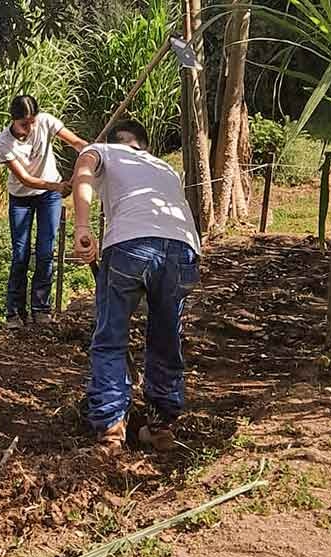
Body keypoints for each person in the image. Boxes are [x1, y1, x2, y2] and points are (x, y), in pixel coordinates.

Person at [71, 119, 201, 453]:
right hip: (182, 249)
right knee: (165, 337)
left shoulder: (101, 150)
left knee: (110, 338)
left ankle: (112, 430)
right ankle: (161, 427)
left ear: (116, 141)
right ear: (143, 146)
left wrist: (82, 228)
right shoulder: (164, 168)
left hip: (130, 245)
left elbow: (84, 170)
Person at [0, 95, 87, 328]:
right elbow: (25, 179)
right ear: (13, 120)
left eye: (32, 121)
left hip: (49, 198)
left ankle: (41, 308)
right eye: (24, 123)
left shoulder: (45, 121)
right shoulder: (3, 142)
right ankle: (14, 313)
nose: (30, 127)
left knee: (46, 251)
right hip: (21, 198)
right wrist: (56, 185)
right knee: (20, 255)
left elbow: (75, 142)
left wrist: (88, 150)